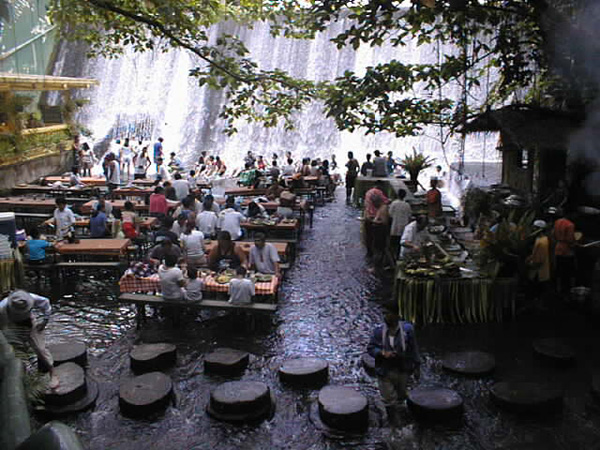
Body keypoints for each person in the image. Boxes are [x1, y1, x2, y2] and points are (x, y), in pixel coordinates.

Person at [367, 308, 420, 427]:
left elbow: (413, 349)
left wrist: (417, 366)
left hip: (402, 369)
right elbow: (370, 348)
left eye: (389, 313)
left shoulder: (407, 330)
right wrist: (382, 353)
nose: (386, 316)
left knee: (401, 395)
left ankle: (401, 416)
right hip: (385, 370)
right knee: (389, 399)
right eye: (385, 313)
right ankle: (394, 425)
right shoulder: (379, 332)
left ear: (397, 315)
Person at [0, 290, 60, 389]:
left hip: (29, 322)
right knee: (15, 351)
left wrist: (45, 321)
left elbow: (46, 304)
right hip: (9, 324)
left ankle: (52, 372)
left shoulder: (32, 298)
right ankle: (22, 375)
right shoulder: (2, 307)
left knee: (40, 348)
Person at [526, 220, 551, 307]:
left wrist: (529, 264)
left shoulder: (542, 242)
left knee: (537, 290)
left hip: (538, 271)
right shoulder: (540, 239)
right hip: (538, 269)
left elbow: (539, 260)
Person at [553, 212, 576, 298]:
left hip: (558, 248)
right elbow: (570, 240)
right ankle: (568, 291)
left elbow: (554, 235)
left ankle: (558, 289)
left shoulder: (557, 222)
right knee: (568, 272)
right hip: (567, 251)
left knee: (559, 270)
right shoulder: (570, 225)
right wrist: (575, 245)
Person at [364, 181, 389, 258]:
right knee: (378, 240)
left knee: (369, 237)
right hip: (377, 218)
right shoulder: (378, 192)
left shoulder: (368, 193)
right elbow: (385, 202)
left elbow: (365, 204)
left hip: (368, 216)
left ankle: (369, 252)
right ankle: (378, 256)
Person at [389, 189, 412, 260]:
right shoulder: (407, 205)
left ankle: (392, 259)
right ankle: (400, 258)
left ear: (397, 195)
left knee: (393, 245)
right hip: (404, 227)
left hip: (395, 227)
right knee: (401, 244)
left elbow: (390, 214)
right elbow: (409, 216)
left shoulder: (394, 203)